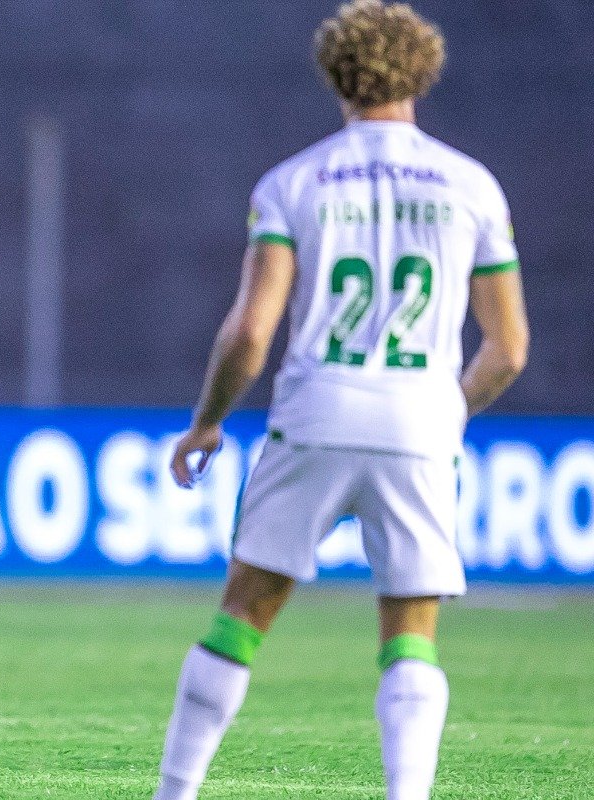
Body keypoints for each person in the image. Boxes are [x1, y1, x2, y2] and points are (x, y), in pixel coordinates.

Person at [155, 2, 529, 798]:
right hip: (420, 422)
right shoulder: (472, 186)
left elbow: (250, 332)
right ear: (423, 70)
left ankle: (176, 792)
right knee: (411, 636)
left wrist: (207, 423)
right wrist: (443, 414)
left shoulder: (295, 181)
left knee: (241, 618)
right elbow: (508, 349)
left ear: (336, 73)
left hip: (316, 413)